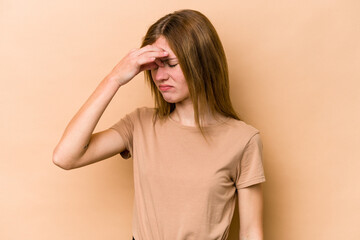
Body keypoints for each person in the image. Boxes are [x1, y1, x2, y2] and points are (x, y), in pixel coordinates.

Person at [53, 9, 266, 240]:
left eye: (171, 64)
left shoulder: (243, 140)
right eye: (154, 66)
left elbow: (250, 231)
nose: (160, 76)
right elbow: (65, 157)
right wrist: (114, 78)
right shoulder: (140, 124)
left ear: (202, 63)